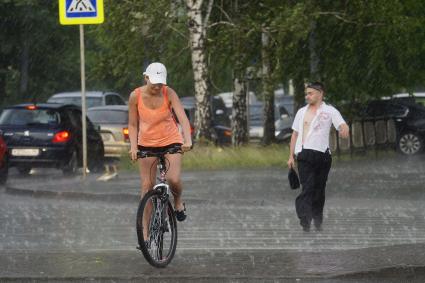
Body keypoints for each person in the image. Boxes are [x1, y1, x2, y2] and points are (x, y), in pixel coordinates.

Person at [128, 62, 192, 224]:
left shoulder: (169, 93)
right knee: (147, 186)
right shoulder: (135, 96)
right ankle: (145, 235)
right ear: (146, 78)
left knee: (173, 179)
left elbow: (183, 118)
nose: (157, 86)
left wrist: (187, 140)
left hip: (171, 141)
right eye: (154, 82)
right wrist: (134, 147)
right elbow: (133, 124)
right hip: (147, 144)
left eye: (160, 82)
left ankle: (177, 202)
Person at [287, 82, 349, 232]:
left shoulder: (330, 111)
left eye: (310, 93)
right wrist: (290, 157)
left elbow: (342, 124)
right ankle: (305, 220)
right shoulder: (301, 112)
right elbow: (295, 134)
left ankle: (317, 219)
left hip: (323, 156)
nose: (307, 96)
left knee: (319, 190)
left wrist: (344, 130)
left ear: (320, 93)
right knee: (307, 188)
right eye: (306, 93)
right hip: (305, 155)